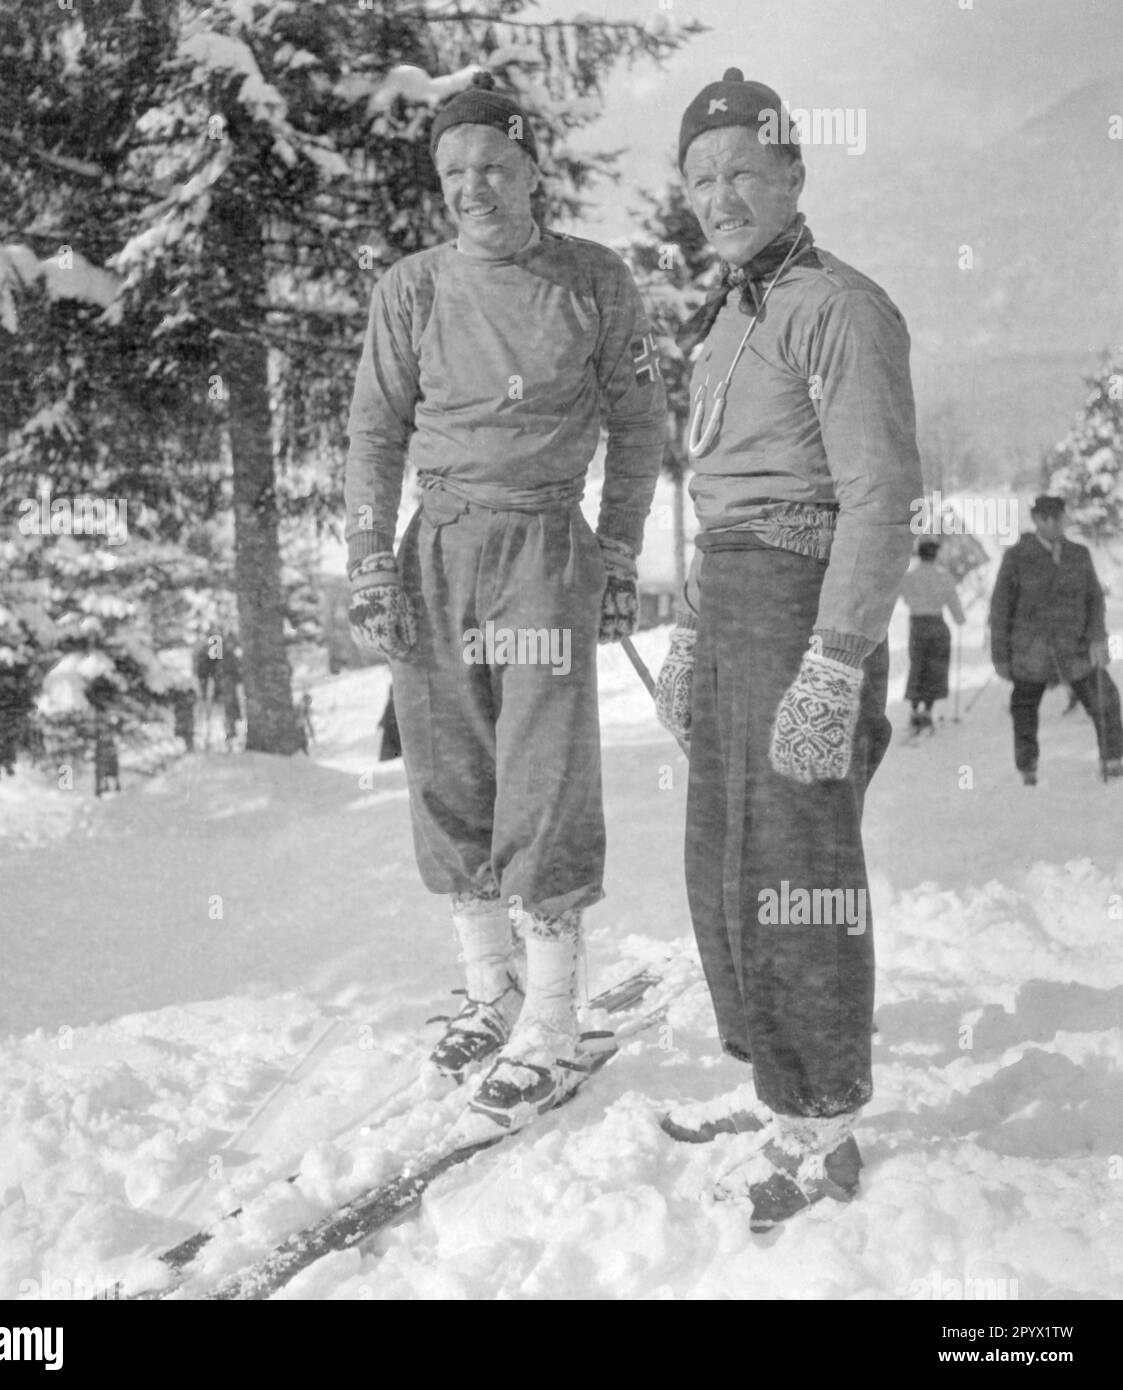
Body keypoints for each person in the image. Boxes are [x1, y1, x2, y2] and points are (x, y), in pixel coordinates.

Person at [344, 73, 665, 1127]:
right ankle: (492, 989)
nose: (471, 187)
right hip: (435, 546)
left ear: (532, 169)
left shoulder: (591, 280)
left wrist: (615, 555)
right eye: (452, 172)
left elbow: (639, 424)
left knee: (544, 773)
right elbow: (374, 432)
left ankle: (554, 1016)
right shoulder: (411, 289)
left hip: (541, 545)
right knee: (448, 770)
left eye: (491, 165)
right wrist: (365, 563)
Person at [653, 70, 923, 1230]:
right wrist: (682, 632)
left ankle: (820, 1127)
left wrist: (836, 659)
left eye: (741, 174)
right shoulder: (723, 320)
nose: (719, 197)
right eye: (699, 178)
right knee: (725, 867)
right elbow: (707, 494)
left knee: (797, 878)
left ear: (793, 174)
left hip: (803, 606)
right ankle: (776, 1092)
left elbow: (880, 496)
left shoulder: (836, 307)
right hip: (729, 609)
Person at [989, 494, 1121, 784]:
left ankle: (1113, 763)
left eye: (1063, 518)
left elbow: (1094, 599)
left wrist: (1098, 637)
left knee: (1107, 700)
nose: (1063, 524)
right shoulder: (1016, 557)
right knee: (1023, 712)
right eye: (1057, 519)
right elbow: (1000, 609)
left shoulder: (1079, 554)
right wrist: (1000, 655)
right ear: (1040, 520)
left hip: (1076, 650)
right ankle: (1028, 771)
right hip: (1029, 654)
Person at [898, 539, 966, 734]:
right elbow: (955, 606)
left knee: (917, 666)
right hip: (937, 625)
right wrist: (960, 618)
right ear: (935, 555)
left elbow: (899, 597)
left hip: (917, 625)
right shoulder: (944, 577)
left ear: (919, 555)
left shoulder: (908, 578)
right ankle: (927, 710)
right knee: (935, 668)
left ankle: (914, 709)